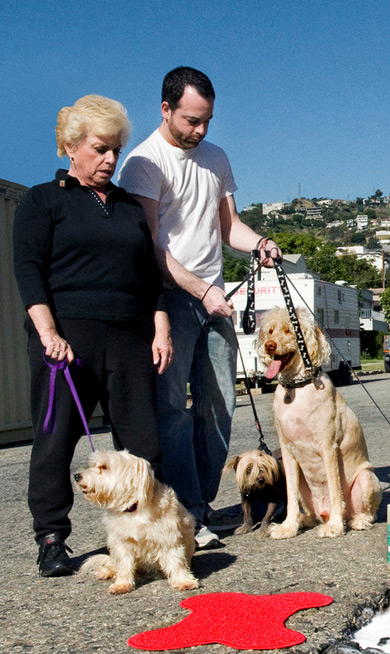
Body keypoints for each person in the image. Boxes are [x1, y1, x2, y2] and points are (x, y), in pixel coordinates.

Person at [119, 66, 281, 549]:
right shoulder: (143, 164)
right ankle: (187, 511)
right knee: (172, 410)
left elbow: (229, 228)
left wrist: (260, 244)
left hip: (214, 299)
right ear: (165, 109)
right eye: (191, 120)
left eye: (207, 120)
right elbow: (150, 248)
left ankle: (203, 502)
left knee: (219, 407)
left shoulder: (215, 157)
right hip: (169, 299)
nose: (200, 131)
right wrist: (199, 290)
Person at [13, 95, 171, 577]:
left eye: (115, 151)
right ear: (69, 147)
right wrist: (47, 332)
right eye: (100, 149)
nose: (110, 160)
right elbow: (28, 269)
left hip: (128, 337)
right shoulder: (42, 201)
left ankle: (150, 533)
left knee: (144, 442)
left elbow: (150, 276)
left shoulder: (126, 207)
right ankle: (52, 537)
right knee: (56, 440)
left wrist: (159, 326)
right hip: (67, 339)